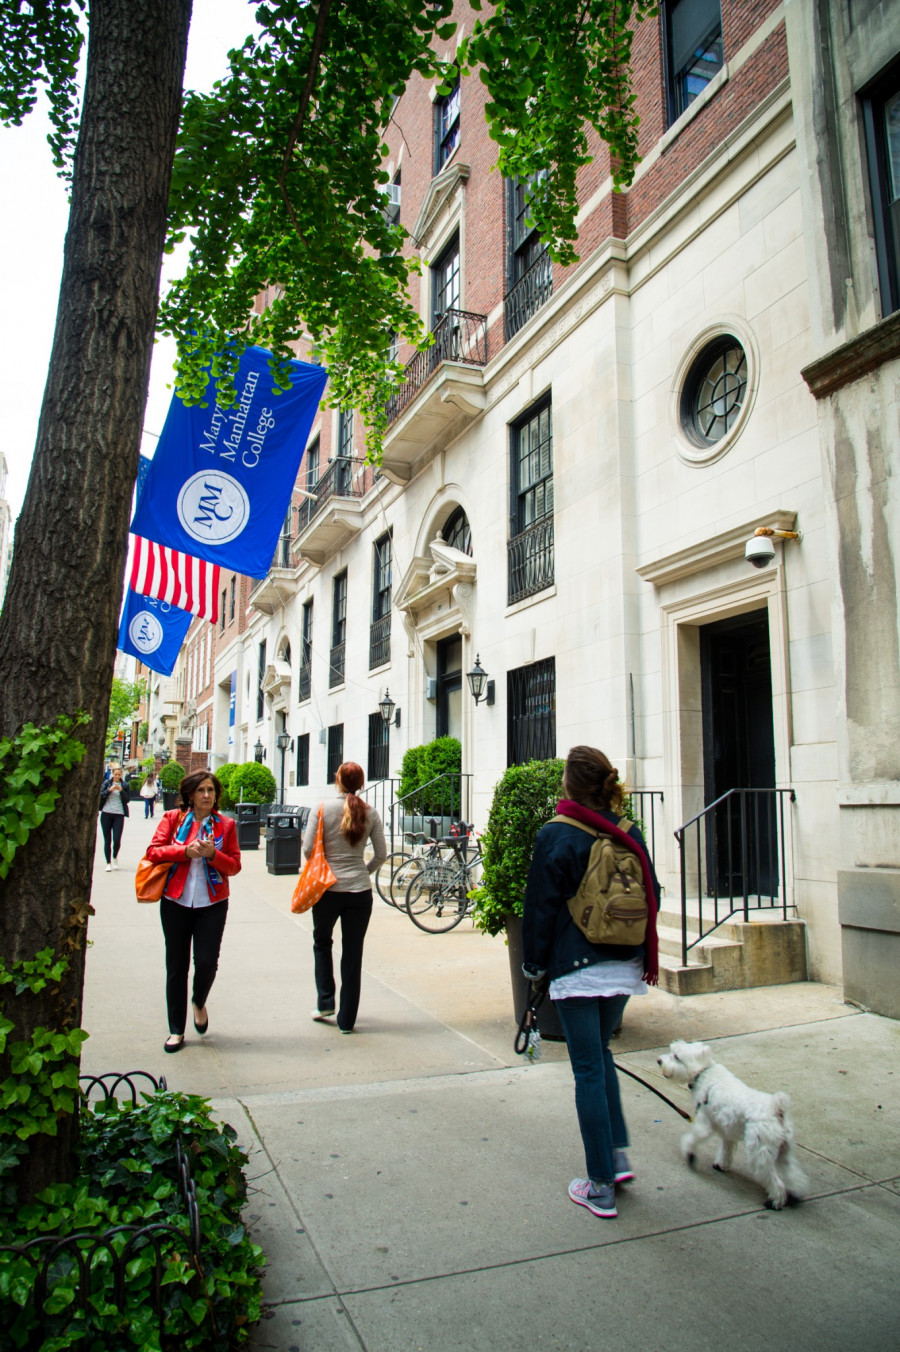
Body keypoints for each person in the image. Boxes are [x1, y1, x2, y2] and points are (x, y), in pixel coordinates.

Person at [522, 745, 661, 1221]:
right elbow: (654, 893)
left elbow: (539, 906)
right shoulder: (629, 831)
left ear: (569, 784)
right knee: (601, 1055)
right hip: (625, 964)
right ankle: (617, 1156)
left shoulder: (556, 834)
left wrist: (533, 967)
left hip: (577, 966)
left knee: (587, 1068)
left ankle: (599, 1183)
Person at [145, 770, 241, 1053]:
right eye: (201, 790)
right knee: (176, 967)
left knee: (208, 962)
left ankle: (199, 1000)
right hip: (175, 902)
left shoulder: (226, 825)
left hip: (212, 904)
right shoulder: (172, 820)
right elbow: (153, 852)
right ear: (190, 795)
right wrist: (184, 852)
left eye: (211, 790)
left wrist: (213, 854)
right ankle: (176, 1030)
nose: (207, 796)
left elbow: (234, 866)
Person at [303, 761, 387, 1033]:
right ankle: (347, 1020)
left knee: (322, 943)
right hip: (360, 892)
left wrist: (324, 869)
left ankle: (326, 1000)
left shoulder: (322, 808)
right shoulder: (371, 813)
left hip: (327, 890)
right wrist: (363, 871)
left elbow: (307, 850)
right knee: (353, 954)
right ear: (361, 784)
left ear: (337, 780)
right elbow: (381, 855)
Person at [98, 766, 131, 871]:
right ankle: (108, 863)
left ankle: (115, 856)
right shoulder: (107, 783)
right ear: (112, 774)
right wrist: (109, 790)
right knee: (107, 839)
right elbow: (100, 796)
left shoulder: (124, 785)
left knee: (116, 839)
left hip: (119, 814)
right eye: (115, 774)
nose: (117, 776)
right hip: (107, 813)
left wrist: (121, 791)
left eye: (119, 775)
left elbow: (127, 800)